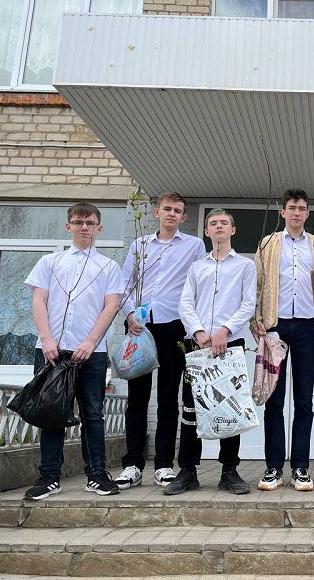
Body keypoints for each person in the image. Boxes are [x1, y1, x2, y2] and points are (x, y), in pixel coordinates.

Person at [23, 203, 124, 500]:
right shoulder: (50, 262)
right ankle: (49, 477)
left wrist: (91, 342)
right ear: (68, 226)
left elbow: (111, 306)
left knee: (93, 414)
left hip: (92, 353)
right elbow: (39, 300)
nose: (84, 228)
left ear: (99, 228)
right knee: (51, 412)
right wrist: (47, 339)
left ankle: (97, 475)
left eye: (90, 223)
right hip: (52, 352)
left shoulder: (108, 266)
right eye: (79, 222)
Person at [115, 192, 206, 490]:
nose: (171, 214)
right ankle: (132, 465)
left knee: (168, 398)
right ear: (156, 212)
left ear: (183, 217)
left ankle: (164, 464)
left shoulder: (194, 246)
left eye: (177, 211)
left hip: (173, 327)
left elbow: (198, 286)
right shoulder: (139, 245)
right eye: (167, 209)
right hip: (140, 326)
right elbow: (125, 283)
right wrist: (129, 314)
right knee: (137, 398)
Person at [165, 209, 256, 496]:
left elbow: (248, 304)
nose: (219, 227)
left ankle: (229, 470)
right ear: (206, 232)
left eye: (224, 223)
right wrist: (199, 332)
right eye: (213, 223)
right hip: (198, 345)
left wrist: (224, 331)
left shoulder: (245, 266)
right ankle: (188, 471)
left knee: (230, 408)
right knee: (191, 407)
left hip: (230, 345)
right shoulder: (196, 268)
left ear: (233, 230)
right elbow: (185, 303)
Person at [251, 188, 314, 491]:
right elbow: (257, 285)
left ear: (307, 213)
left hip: (308, 329)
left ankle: (301, 467)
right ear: (283, 212)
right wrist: (256, 321)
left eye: (301, 208)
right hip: (274, 328)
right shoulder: (267, 244)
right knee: (273, 400)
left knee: (303, 401)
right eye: (292, 207)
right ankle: (273, 467)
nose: (297, 212)